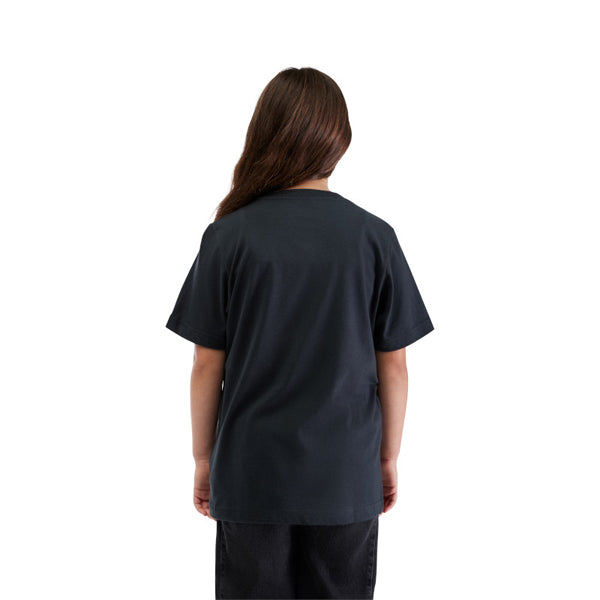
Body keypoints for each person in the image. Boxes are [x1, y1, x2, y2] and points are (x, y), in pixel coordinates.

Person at [165, 66, 434, 600]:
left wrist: (203, 460)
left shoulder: (227, 237)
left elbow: (206, 365)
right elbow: (395, 365)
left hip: (251, 474)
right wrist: (386, 458)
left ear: (264, 133)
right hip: (345, 476)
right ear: (339, 140)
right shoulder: (374, 238)